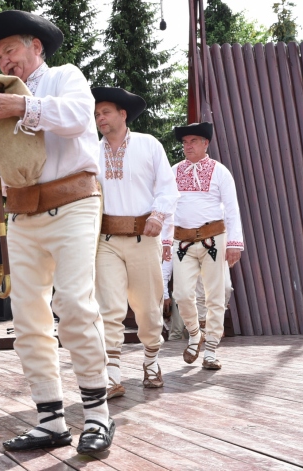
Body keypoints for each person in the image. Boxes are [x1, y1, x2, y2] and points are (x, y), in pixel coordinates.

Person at [0, 10, 113, 454]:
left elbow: (79, 117)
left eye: (11, 49)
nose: (5, 61)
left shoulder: (65, 76)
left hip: (74, 204)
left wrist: (20, 106)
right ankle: (50, 420)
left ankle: (99, 417)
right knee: (27, 318)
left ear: (36, 48)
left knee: (74, 304)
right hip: (22, 213)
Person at [91, 87, 178, 397]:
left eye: (106, 112)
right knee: (109, 306)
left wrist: (158, 215)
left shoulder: (148, 145)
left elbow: (168, 187)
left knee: (148, 309)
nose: (100, 117)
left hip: (145, 237)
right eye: (97, 113)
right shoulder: (89, 150)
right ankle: (112, 374)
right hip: (105, 240)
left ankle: (152, 361)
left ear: (123, 114)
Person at [170, 122, 244, 370]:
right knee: (181, 293)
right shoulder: (173, 171)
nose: (187, 146)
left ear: (205, 144)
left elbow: (232, 209)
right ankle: (194, 334)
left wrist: (235, 244)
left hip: (214, 237)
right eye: (184, 142)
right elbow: (167, 209)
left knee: (217, 295)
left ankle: (211, 348)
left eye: (193, 141)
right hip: (182, 241)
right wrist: (164, 242)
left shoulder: (220, 172)